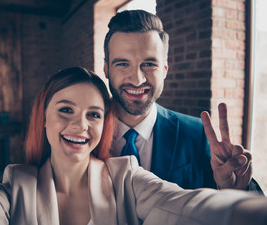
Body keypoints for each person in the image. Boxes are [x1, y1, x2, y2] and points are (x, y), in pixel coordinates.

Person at [0, 67, 267, 225]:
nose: (80, 126)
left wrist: (247, 209)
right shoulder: (17, 186)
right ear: (43, 120)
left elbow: (188, 209)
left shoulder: (128, 178)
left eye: (93, 115)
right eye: (65, 110)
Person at [103, 10, 263, 192]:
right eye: (123, 64)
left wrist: (235, 190)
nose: (137, 79)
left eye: (149, 64)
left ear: (164, 69)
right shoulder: (87, 133)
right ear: (106, 69)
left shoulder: (196, 134)